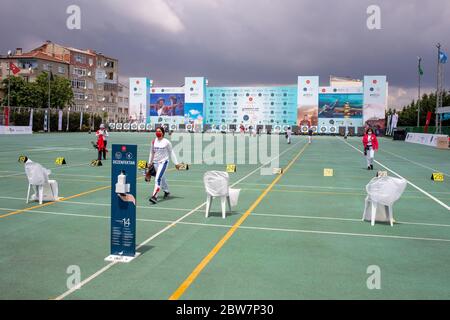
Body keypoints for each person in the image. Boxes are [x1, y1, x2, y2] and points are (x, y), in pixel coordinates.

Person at [147, 126, 182, 204]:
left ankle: (154, 197)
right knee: (161, 177)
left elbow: (171, 152)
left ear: (163, 132)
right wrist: (150, 162)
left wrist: (176, 163)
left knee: (157, 179)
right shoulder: (153, 142)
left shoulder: (166, 142)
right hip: (155, 163)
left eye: (159, 131)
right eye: (156, 131)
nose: (158, 132)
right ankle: (166, 191)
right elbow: (151, 152)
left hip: (163, 162)